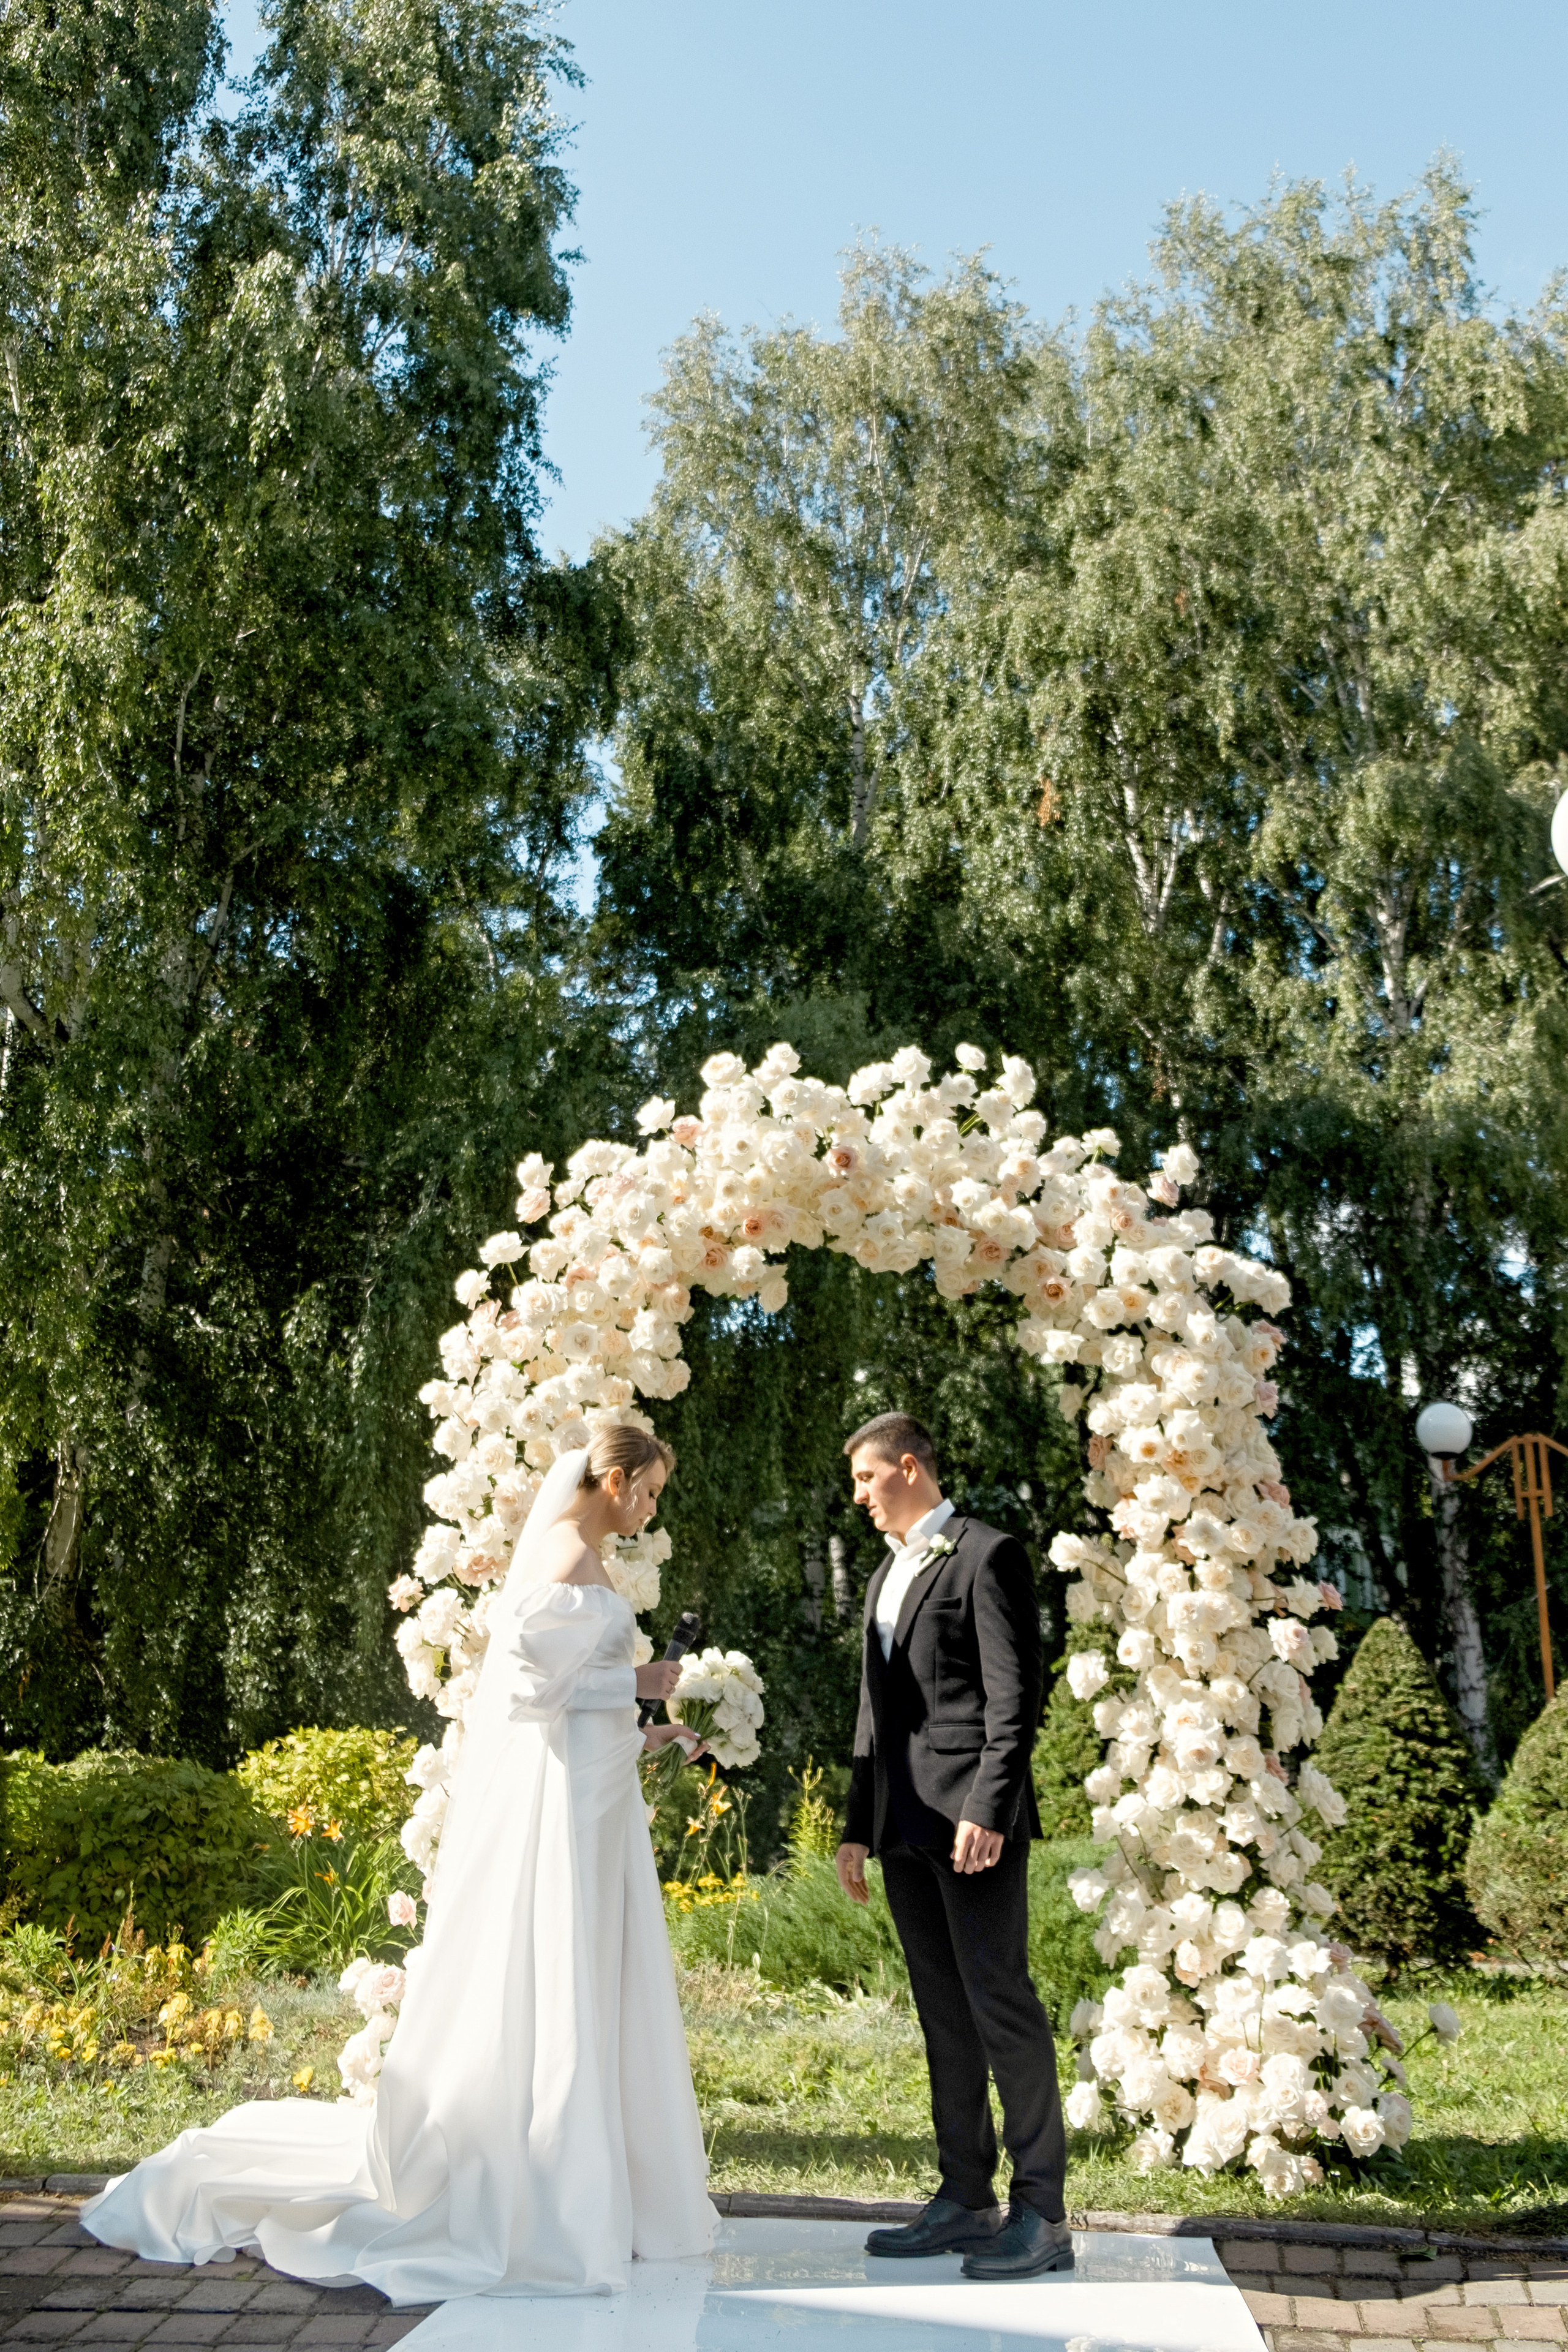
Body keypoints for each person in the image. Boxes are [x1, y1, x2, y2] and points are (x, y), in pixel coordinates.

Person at [83, 1427, 717, 2304]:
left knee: (602, 1974)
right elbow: (535, 1693)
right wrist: (648, 1684)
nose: (651, 1508)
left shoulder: (584, 1555)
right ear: (612, 1480)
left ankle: (604, 2189)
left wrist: (655, 1725)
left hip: (596, 1798)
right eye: (647, 1491)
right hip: (569, 1806)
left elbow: (577, 1696)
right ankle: (548, 2195)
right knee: (564, 1967)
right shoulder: (567, 1554)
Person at [835, 1412, 1071, 2281]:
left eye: (866, 1478)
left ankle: (1042, 2210)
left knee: (999, 2000)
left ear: (907, 1466)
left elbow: (1017, 1700)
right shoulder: (884, 1576)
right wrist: (858, 1825)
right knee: (942, 2011)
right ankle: (966, 2196)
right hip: (903, 1824)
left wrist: (991, 1807)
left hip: (974, 1823)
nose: (858, 1496)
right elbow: (873, 1713)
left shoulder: (986, 1554)